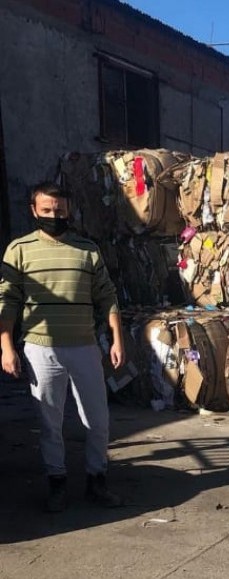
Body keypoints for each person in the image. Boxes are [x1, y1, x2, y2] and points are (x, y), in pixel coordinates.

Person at [0, 182, 125, 512]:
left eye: (60, 210)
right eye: (47, 210)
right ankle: (57, 482)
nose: (54, 216)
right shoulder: (19, 250)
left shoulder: (87, 249)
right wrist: (6, 347)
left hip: (84, 347)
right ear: (34, 210)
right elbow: (7, 301)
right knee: (49, 420)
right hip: (41, 349)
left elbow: (107, 296)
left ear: (69, 210)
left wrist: (116, 339)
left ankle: (97, 481)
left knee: (97, 420)